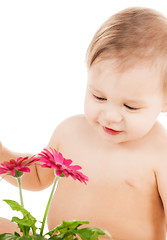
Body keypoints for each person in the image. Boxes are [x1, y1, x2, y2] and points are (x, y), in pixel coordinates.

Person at [1, 6, 167, 240]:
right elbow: (37, 175)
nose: (110, 116)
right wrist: (2, 153)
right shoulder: (70, 132)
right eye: (99, 97)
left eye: (130, 107)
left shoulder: (161, 153)